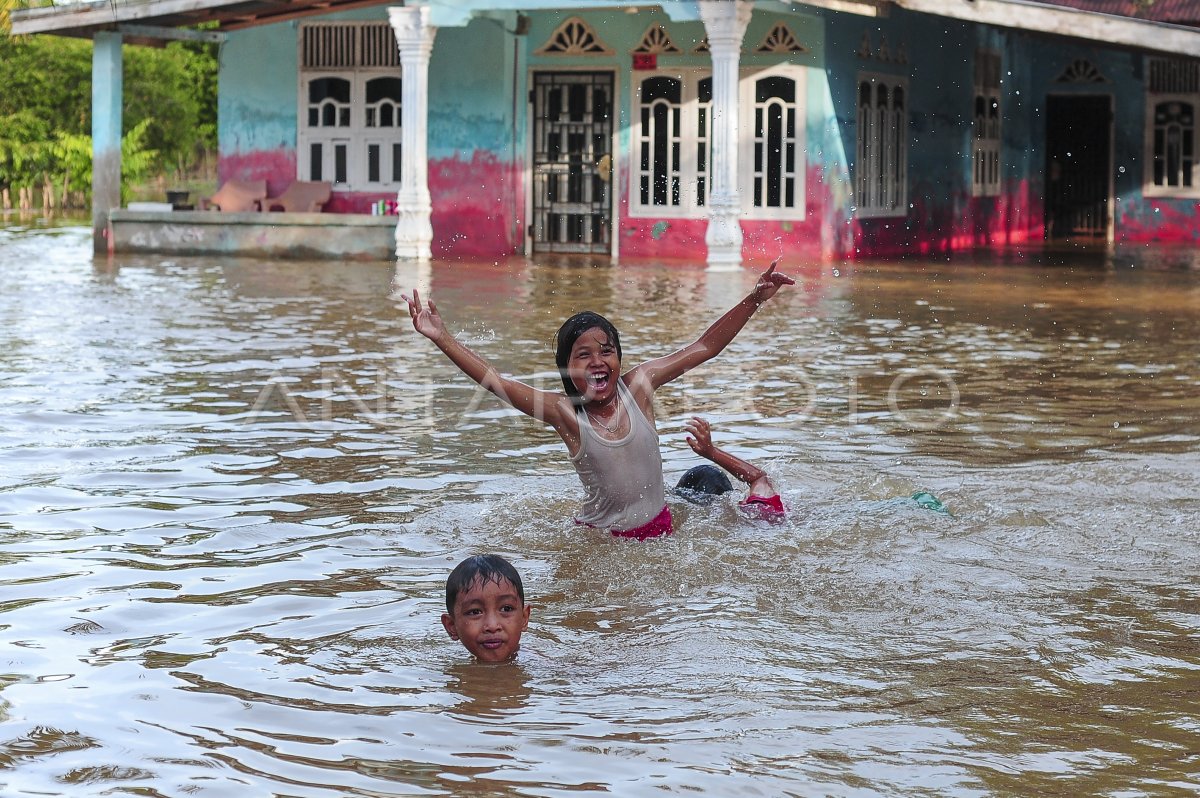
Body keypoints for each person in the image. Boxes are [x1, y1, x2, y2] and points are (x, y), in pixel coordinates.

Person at [402, 261, 794, 541]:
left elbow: (705, 346)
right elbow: (497, 382)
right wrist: (442, 338)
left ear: (619, 358)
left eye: (606, 351)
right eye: (583, 355)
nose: (597, 362)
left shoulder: (639, 386)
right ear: (566, 369)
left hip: (661, 532)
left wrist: (754, 299)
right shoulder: (566, 415)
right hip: (602, 543)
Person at [678, 416, 786, 521]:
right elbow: (759, 478)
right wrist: (711, 452)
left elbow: (759, 478)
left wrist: (711, 452)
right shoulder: (764, 511)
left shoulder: (719, 520)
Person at [442, 554, 530, 663]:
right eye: (475, 612)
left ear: (524, 618)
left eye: (506, 609)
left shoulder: (543, 666)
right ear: (451, 626)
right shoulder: (447, 671)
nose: (492, 626)